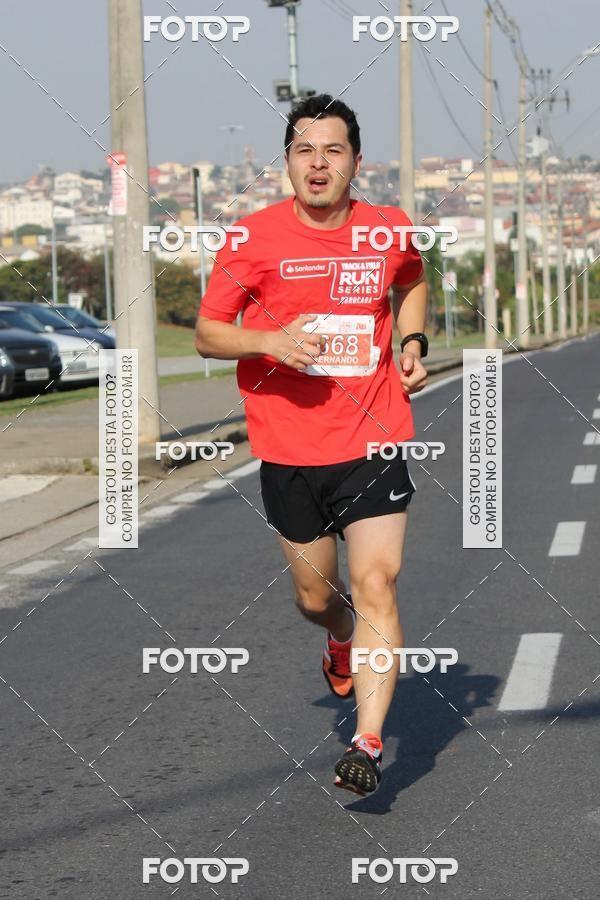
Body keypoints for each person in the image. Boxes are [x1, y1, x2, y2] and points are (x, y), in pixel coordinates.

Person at [195, 93, 428, 796]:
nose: (319, 163)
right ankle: (337, 638)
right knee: (314, 594)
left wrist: (412, 340)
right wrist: (266, 340)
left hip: (372, 436)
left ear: (357, 161)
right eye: (305, 150)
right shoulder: (251, 239)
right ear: (288, 162)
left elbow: (411, 279)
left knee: (377, 584)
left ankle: (367, 739)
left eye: (334, 150)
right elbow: (209, 333)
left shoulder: (387, 231)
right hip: (289, 446)